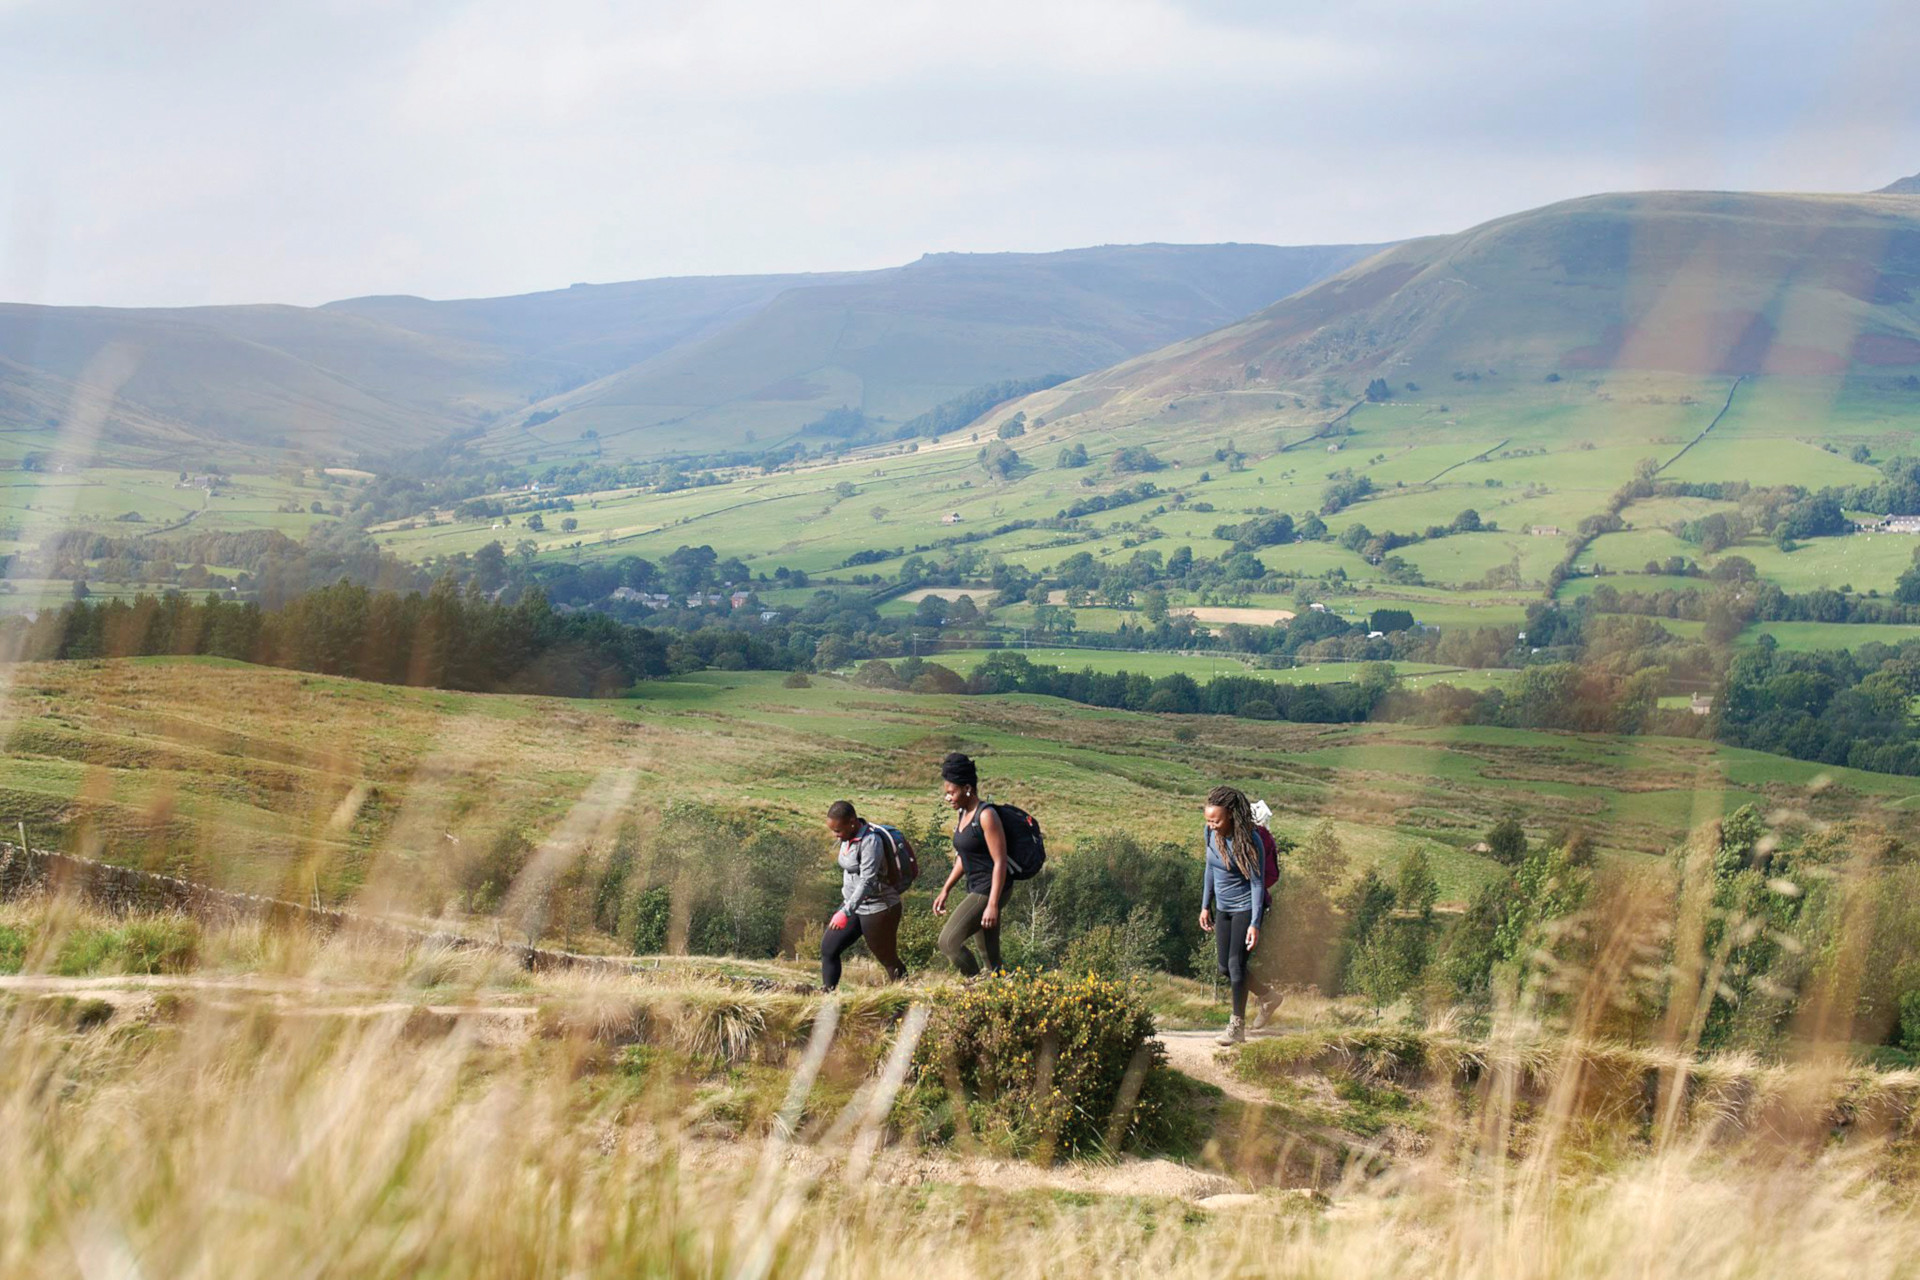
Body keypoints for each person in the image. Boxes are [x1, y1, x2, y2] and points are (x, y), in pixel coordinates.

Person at [1199, 784, 1279, 1044]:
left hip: (1246, 907)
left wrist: (1255, 923)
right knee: (1224, 967)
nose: (1212, 825)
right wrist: (1204, 905)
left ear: (1231, 814)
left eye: (1217, 820)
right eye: (1208, 820)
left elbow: (1257, 883)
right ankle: (1268, 997)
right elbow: (1210, 868)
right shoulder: (1210, 834)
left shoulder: (1251, 840)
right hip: (1223, 908)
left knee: (1236, 965)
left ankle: (1237, 1027)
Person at [931, 752, 1009, 976]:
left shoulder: (986, 815)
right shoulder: (964, 813)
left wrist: (992, 903)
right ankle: (996, 991)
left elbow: (1000, 861)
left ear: (967, 788)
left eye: (951, 792)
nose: (948, 798)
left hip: (990, 889)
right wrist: (946, 889)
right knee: (990, 957)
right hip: (976, 887)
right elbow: (964, 858)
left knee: (948, 942)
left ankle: (974, 987)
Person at [820, 800, 907, 991]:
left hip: (879, 907)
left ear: (852, 822)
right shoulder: (847, 837)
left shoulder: (871, 842)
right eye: (833, 830)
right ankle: (826, 998)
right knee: (828, 949)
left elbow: (867, 881)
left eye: (838, 830)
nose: (835, 835)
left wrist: (844, 912)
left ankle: (904, 1002)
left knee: (887, 958)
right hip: (853, 905)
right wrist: (847, 905)